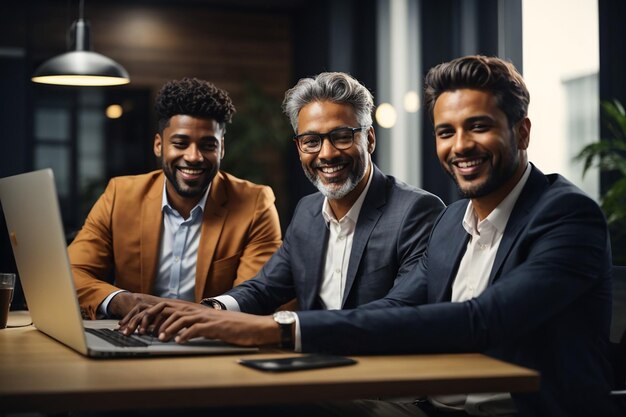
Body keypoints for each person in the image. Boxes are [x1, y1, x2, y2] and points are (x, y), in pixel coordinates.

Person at [139, 57, 620, 417]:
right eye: (445, 132)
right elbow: (387, 306)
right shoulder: (454, 221)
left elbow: (480, 319)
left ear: (523, 132)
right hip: (430, 406)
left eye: (479, 127)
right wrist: (215, 312)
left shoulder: (566, 214)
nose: (460, 146)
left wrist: (279, 330)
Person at [119, 71, 444, 333]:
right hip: (313, 375)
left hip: (380, 385)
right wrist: (209, 311)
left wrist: (284, 328)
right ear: (299, 145)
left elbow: (399, 310)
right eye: (311, 141)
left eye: (342, 137)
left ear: (369, 139)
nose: (327, 153)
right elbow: (263, 288)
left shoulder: (416, 211)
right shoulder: (307, 213)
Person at [69, 77, 282, 320]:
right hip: (130, 335)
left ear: (221, 148)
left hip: (210, 342)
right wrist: (123, 301)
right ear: (159, 145)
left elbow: (258, 294)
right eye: (180, 143)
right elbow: (73, 272)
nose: (194, 157)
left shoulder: (255, 204)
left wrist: (198, 315)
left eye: (207, 145)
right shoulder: (120, 195)